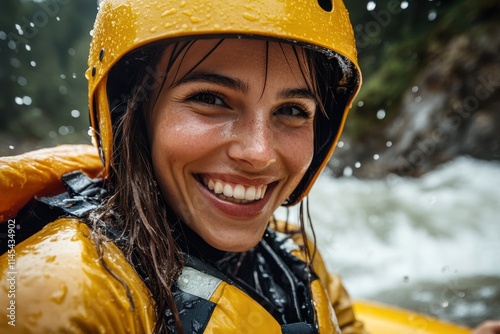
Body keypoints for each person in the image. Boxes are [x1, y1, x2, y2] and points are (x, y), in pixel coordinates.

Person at [0, 0, 365, 333]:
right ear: (133, 114)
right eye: (211, 99)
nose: (259, 153)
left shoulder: (297, 259)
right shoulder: (64, 295)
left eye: (291, 110)